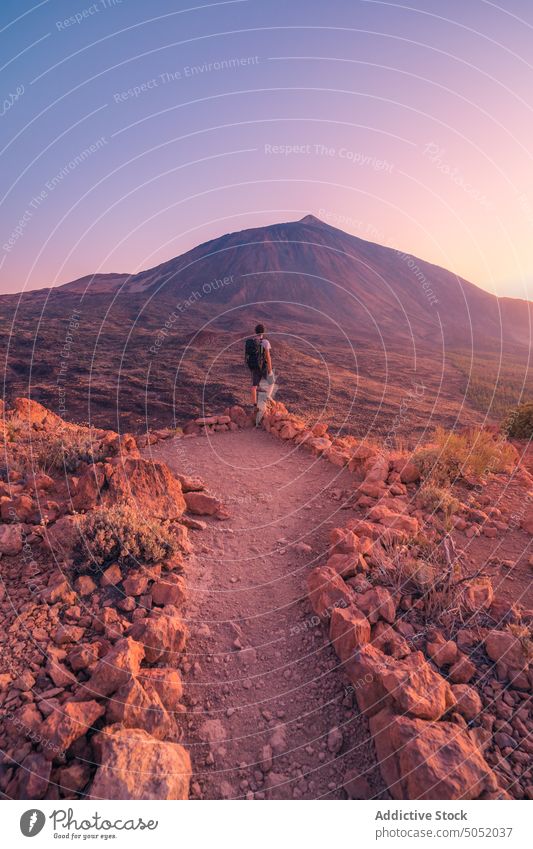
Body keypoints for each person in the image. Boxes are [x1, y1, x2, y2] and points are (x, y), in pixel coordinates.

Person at [244, 323, 273, 409]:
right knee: (271, 382)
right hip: (263, 366)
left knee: (254, 386)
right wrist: (270, 369)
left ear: (255, 332)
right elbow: (268, 356)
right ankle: (267, 397)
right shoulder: (265, 342)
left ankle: (254, 405)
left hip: (254, 366)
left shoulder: (251, 342)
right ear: (263, 332)